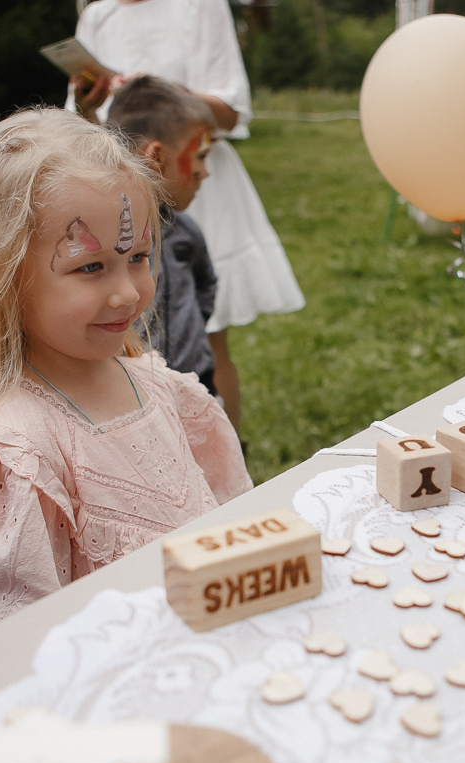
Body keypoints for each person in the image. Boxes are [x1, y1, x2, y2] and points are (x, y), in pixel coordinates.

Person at [0, 108, 252, 625]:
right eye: (91, 267)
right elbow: (23, 634)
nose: (127, 292)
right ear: (4, 276)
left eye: (139, 256)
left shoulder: (164, 389)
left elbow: (238, 525)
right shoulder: (21, 448)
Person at [71, 0, 306, 436]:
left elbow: (230, 109)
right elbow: (79, 127)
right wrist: (90, 103)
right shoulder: (98, 15)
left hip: (191, 178)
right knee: (123, 336)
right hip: (121, 191)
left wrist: (150, 89)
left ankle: (226, 462)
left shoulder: (198, 5)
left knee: (205, 333)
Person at [107, 75, 218, 395]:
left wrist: (192, 330)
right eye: (200, 156)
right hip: (135, 392)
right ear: (155, 157)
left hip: (198, 385)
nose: (205, 172)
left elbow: (205, 285)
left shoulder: (186, 232)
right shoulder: (110, 242)